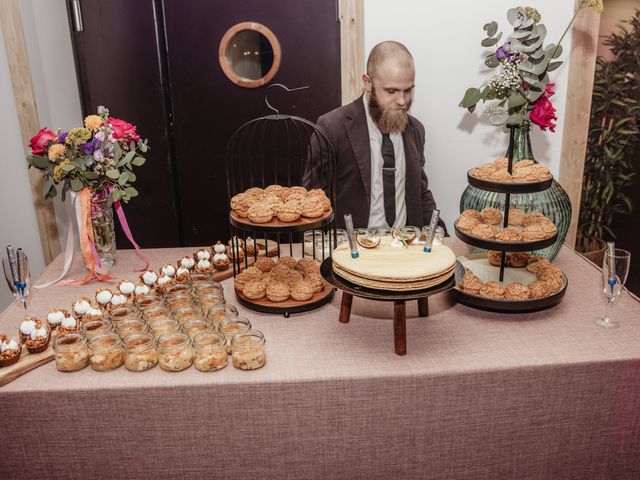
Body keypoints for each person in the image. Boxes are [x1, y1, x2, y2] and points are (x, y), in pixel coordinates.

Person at [305, 41, 446, 233]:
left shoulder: (416, 130)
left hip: (406, 248)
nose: (402, 101)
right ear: (368, 83)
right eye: (391, 91)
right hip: (353, 251)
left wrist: (440, 234)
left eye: (408, 90)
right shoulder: (332, 127)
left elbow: (420, 192)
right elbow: (313, 201)